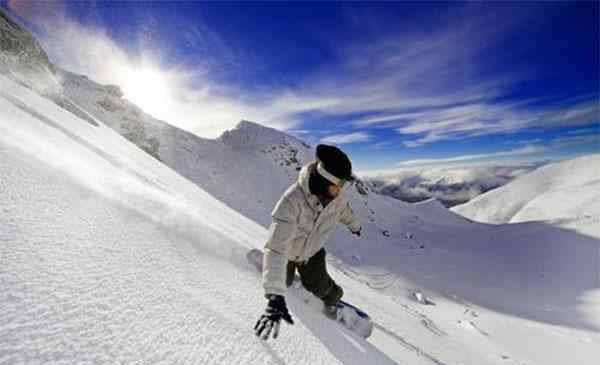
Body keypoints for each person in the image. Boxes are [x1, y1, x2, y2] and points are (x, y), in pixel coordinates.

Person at [254, 144, 362, 340]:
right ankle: (276, 274)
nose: (340, 192)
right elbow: (277, 248)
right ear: (322, 182)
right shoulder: (292, 201)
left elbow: (345, 213)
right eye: (336, 187)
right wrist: (274, 295)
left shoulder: (336, 198)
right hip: (287, 252)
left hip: (312, 253)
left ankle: (333, 300)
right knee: (282, 284)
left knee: (321, 287)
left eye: (342, 187)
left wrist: (355, 226)